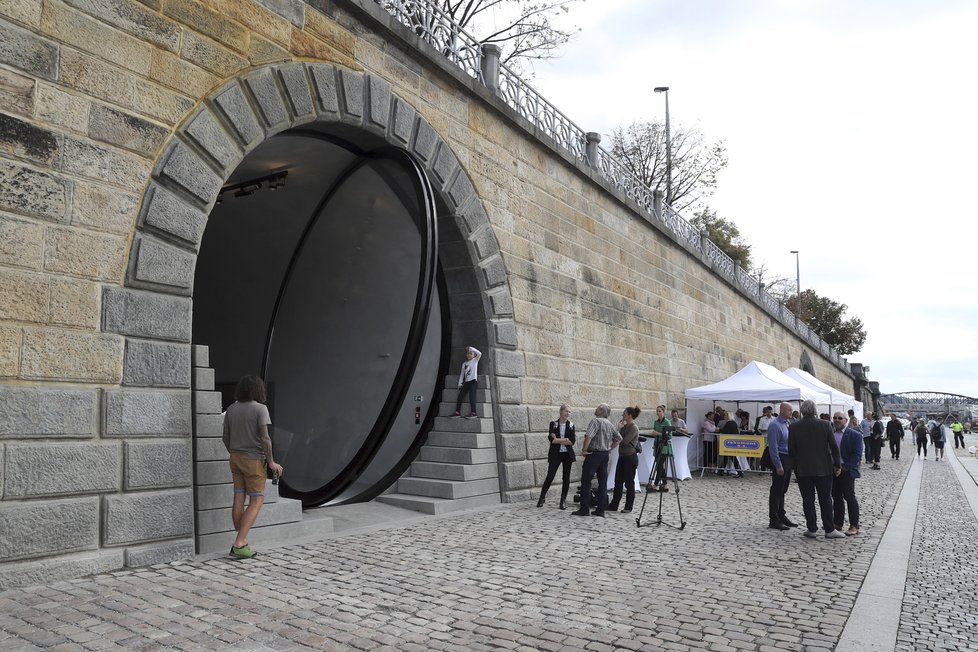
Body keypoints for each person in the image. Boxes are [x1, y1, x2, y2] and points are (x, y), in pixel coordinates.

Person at [222, 375, 284, 559]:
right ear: (258, 390)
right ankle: (240, 543)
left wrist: (234, 451)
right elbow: (264, 438)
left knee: (239, 496)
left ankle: (241, 538)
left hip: (235, 457)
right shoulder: (260, 409)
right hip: (254, 460)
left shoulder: (231, 409)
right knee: (256, 501)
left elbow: (225, 437)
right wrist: (271, 461)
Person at [788, 399, 843, 539]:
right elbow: (833, 446)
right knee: (825, 499)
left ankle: (811, 528)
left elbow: (791, 450)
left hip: (803, 469)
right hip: (823, 468)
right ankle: (829, 529)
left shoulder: (794, 427)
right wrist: (837, 464)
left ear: (802, 411)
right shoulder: (825, 425)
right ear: (815, 410)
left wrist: (794, 467)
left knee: (808, 500)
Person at [571, 404, 621, 517]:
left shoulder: (595, 421)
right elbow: (618, 439)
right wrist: (609, 448)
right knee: (602, 482)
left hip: (594, 454)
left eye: (598, 408)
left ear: (601, 411)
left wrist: (584, 450)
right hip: (604, 455)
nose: (595, 409)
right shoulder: (610, 424)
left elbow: (589, 436)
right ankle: (601, 509)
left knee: (586, 481)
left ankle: (584, 509)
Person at [537, 404, 576, 510]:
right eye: (566, 411)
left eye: (569, 412)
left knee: (566, 478)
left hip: (567, 455)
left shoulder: (571, 425)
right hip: (556, 454)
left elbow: (571, 441)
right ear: (561, 411)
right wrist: (564, 440)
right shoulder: (553, 424)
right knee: (550, 476)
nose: (568, 413)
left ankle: (563, 500)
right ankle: (542, 497)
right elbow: (552, 440)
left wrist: (558, 439)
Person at [831, 411, 863, 536]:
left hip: (846, 470)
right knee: (836, 497)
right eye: (835, 418)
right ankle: (837, 523)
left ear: (846, 420)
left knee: (849, 497)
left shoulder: (854, 435)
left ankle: (854, 525)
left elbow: (857, 454)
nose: (837, 420)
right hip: (833, 470)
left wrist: (845, 467)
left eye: (840, 418)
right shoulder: (831, 433)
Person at [767, 402, 797, 530]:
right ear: (782, 410)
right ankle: (774, 519)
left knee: (782, 490)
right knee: (776, 490)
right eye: (789, 410)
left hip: (788, 458)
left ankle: (781, 515)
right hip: (780, 458)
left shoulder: (787, 423)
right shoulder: (774, 425)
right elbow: (773, 448)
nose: (791, 412)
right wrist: (778, 465)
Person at [609, 406, 641, 514]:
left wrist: (619, 432)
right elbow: (615, 438)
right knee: (618, 482)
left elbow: (624, 441)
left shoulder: (633, 428)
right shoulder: (624, 427)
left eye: (624, 413)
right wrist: (618, 429)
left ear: (630, 415)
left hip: (630, 458)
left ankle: (628, 506)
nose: (622, 415)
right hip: (622, 457)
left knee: (629, 483)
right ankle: (614, 505)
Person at [452, 346, 481, 418]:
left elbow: (479, 353)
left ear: (474, 355)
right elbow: (462, 374)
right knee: (460, 396)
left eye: (471, 353)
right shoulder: (464, 364)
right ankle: (457, 412)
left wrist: (470, 348)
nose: (469, 355)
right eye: (468, 353)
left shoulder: (475, 361)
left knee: (472, 397)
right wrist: (459, 383)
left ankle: (473, 413)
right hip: (466, 382)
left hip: (473, 382)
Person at [649, 405, 673, 490]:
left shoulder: (667, 422)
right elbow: (654, 433)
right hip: (657, 446)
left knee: (659, 466)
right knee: (659, 465)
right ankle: (665, 484)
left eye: (660, 411)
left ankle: (655, 484)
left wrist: (658, 434)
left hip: (664, 447)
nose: (658, 413)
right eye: (657, 411)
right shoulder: (656, 422)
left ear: (663, 412)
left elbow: (669, 436)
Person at [717, 409, 744, 478]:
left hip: (729, 443)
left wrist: (719, 430)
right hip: (730, 442)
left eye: (726, 415)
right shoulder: (733, 423)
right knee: (726, 457)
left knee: (732, 458)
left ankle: (740, 472)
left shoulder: (730, 423)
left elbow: (726, 432)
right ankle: (721, 471)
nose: (724, 416)